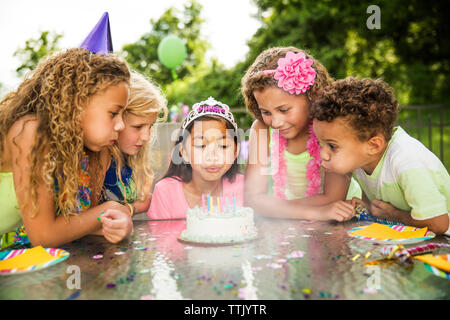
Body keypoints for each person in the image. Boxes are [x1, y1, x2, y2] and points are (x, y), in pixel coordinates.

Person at [0, 48, 134, 249]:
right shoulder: (31, 131)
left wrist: (116, 224)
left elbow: (71, 226)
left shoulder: (71, 147)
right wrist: (109, 209)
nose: (120, 125)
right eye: (114, 113)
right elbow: (43, 235)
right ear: (77, 103)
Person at [311, 77, 450, 235]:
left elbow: (439, 224)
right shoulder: (363, 159)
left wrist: (393, 214)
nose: (323, 154)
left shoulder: (407, 161)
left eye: (332, 146)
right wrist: (367, 207)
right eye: (320, 144)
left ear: (373, 145)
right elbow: (379, 199)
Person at [241, 47, 360, 221]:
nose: (276, 122)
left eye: (283, 110)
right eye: (266, 112)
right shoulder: (261, 130)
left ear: (311, 97)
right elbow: (252, 199)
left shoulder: (331, 126)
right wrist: (312, 213)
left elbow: (333, 199)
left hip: (344, 217)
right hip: (299, 219)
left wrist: (273, 207)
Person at [148, 97, 243, 220]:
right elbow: (160, 236)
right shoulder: (166, 191)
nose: (212, 156)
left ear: (236, 151)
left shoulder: (244, 187)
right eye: (201, 145)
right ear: (184, 152)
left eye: (223, 146)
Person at [103, 71, 168, 214]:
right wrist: (131, 208)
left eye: (150, 126)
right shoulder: (101, 158)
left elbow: (143, 202)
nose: (146, 137)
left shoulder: (131, 158)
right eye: (138, 127)